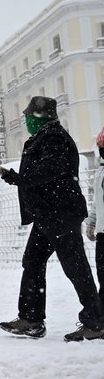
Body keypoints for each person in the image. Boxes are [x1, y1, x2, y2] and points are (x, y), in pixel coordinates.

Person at [0, 96, 103, 341]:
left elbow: (50, 170)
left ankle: (96, 323)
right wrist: (19, 178)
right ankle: (31, 320)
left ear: (39, 117)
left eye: (28, 117)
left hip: (60, 214)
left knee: (75, 268)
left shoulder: (54, 138)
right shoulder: (44, 137)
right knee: (33, 262)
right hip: (48, 214)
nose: (25, 121)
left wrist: (18, 177)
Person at [86, 127, 104, 297]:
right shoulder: (100, 173)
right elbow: (97, 203)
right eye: (101, 145)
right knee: (102, 277)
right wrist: (91, 222)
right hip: (102, 233)